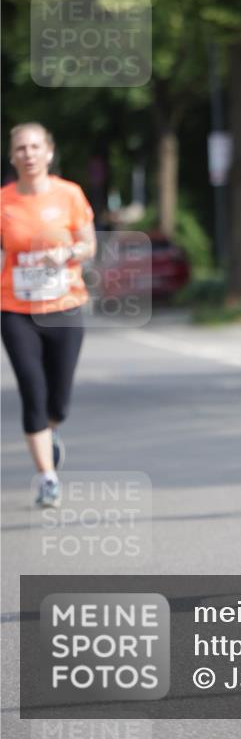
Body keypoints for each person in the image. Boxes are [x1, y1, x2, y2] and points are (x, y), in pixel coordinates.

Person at [1, 123, 96, 507]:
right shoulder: (4, 201)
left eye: (35, 146)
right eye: (21, 148)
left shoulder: (69, 194)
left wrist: (68, 252)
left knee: (59, 400)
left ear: (49, 152)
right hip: (16, 309)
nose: (29, 154)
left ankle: (51, 428)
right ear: (12, 156)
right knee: (32, 391)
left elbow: (89, 244)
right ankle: (47, 477)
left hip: (64, 307)